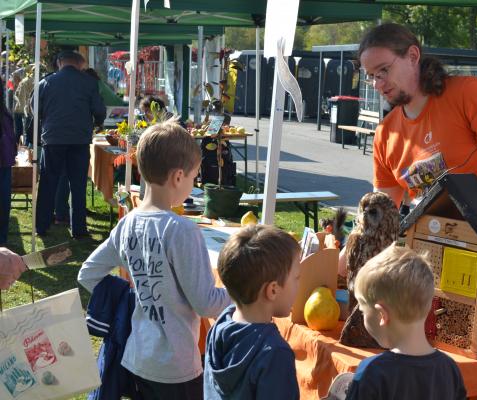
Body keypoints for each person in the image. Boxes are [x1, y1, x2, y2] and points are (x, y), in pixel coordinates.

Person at [356, 23, 477, 361]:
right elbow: (381, 216)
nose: (378, 84)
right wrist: (354, 255)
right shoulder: (386, 135)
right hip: (431, 281)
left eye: (384, 70)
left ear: (413, 55)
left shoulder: (467, 96)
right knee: (439, 379)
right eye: (371, 76)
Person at [78, 119, 230, 400]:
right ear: (177, 177)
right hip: (176, 366)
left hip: (137, 356)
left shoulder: (128, 223)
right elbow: (207, 303)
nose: (195, 183)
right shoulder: (182, 230)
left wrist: (135, 296)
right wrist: (242, 294)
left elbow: (87, 274)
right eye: (195, 177)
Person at [345, 244, 466, 400]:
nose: (362, 317)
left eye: (362, 311)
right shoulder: (450, 369)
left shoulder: (372, 373)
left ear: (382, 315)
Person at [204, 225, 301, 400]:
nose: (298, 285)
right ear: (272, 290)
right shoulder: (275, 354)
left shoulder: (220, 325)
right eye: (296, 278)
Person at [35, 50, 106, 239]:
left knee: (48, 182)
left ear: (60, 62)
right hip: (79, 140)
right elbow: (99, 110)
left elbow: (35, 110)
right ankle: (79, 228)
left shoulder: (46, 82)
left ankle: (41, 226)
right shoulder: (89, 82)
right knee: (78, 184)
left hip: (53, 138)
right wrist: (96, 122)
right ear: (79, 64)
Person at [0, 78, 17, 246]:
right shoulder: (5, 114)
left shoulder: (5, 115)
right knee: (3, 202)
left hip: (4, 161)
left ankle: (2, 239)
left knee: (3, 201)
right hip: (4, 161)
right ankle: (2, 239)